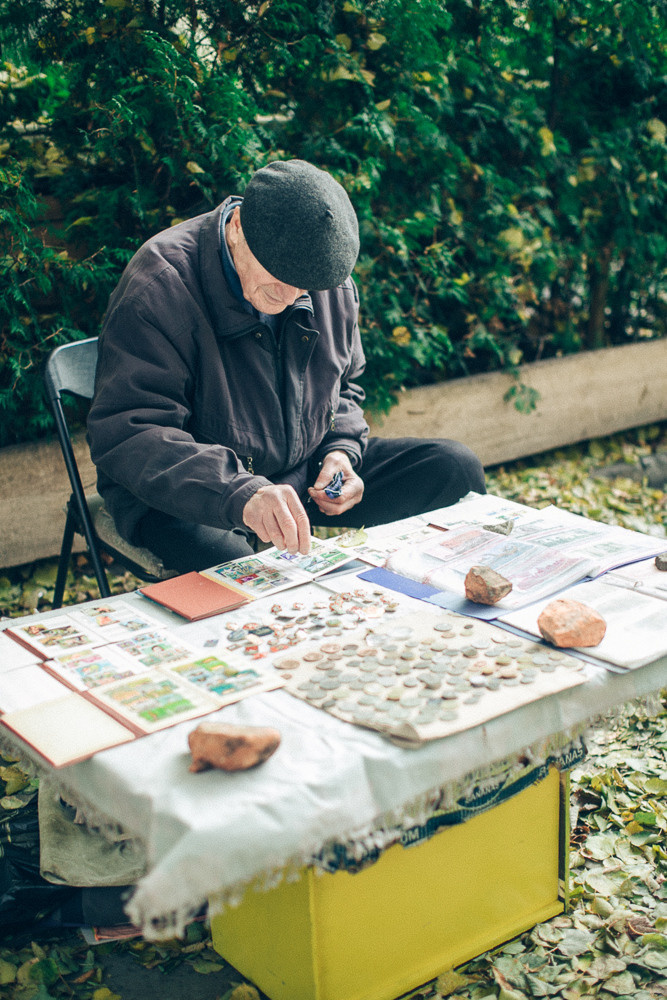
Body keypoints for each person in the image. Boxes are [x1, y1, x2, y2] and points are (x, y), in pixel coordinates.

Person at [88, 159, 485, 572]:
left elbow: (343, 388)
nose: (292, 295)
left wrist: (340, 454)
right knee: (252, 575)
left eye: (305, 284)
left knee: (454, 470)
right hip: (191, 496)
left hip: (299, 475)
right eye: (279, 276)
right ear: (238, 226)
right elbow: (131, 431)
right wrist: (242, 494)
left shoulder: (325, 280)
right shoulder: (160, 287)